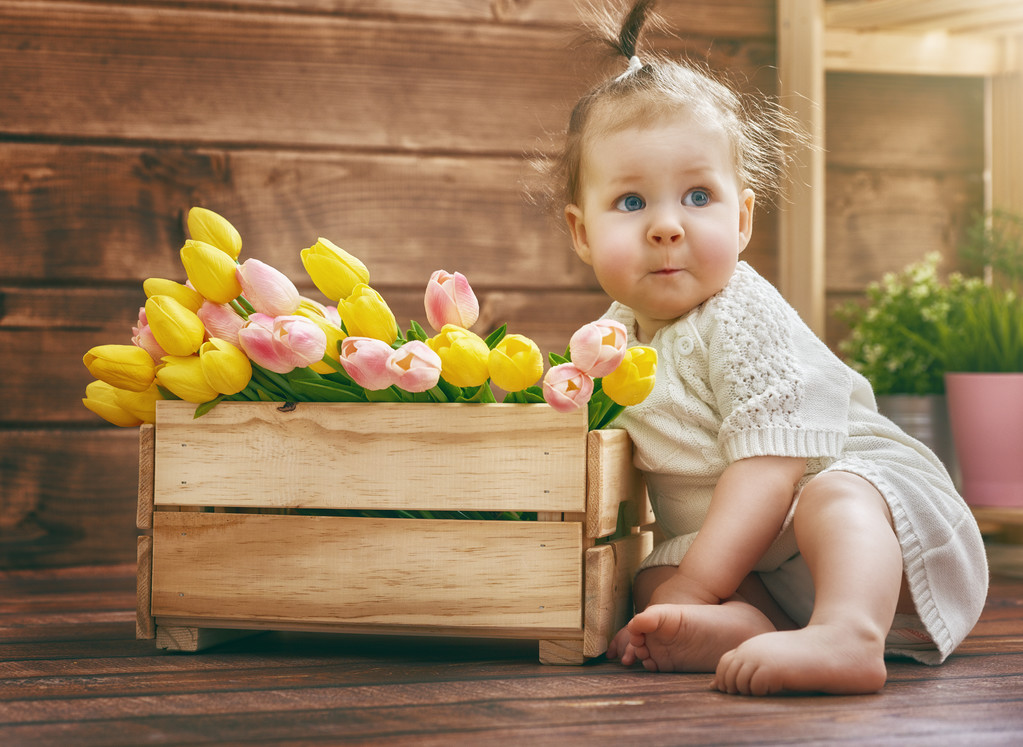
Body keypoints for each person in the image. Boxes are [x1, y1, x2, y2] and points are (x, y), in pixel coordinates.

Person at [549, 0, 989, 695]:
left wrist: (697, 584)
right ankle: (754, 627)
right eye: (631, 203)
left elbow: (768, 471)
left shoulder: (743, 314)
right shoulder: (610, 340)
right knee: (650, 580)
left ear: (742, 215)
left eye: (697, 195)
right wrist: (679, 585)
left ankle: (849, 631)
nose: (666, 226)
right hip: (767, 559)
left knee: (831, 495)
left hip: (887, 540)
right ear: (580, 232)